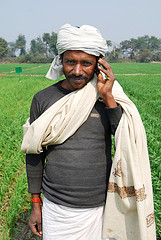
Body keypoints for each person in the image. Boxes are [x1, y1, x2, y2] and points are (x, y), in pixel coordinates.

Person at [21, 24, 156, 240]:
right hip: (57, 207)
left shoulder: (106, 98)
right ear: (60, 61)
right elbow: (34, 153)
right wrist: (36, 203)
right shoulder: (43, 99)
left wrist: (108, 97)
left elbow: (125, 138)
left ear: (98, 65)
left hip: (102, 205)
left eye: (86, 63)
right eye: (70, 62)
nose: (77, 71)